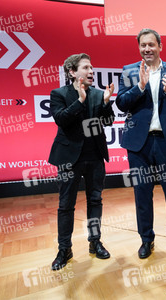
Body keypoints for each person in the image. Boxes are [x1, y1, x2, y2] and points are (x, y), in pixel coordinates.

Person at [116, 28, 166, 259]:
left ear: (160, 46)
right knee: (142, 193)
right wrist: (140, 87)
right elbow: (121, 104)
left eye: (151, 45)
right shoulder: (129, 71)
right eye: (143, 45)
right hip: (139, 144)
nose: (147, 49)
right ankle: (146, 239)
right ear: (139, 48)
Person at [49, 53, 115, 270]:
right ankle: (64, 249)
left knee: (95, 200)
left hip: (95, 156)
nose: (91, 72)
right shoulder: (59, 93)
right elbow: (62, 120)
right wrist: (80, 101)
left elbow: (108, 121)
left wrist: (105, 103)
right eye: (86, 68)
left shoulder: (98, 94)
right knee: (66, 205)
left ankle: (95, 242)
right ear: (72, 72)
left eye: (92, 68)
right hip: (69, 158)